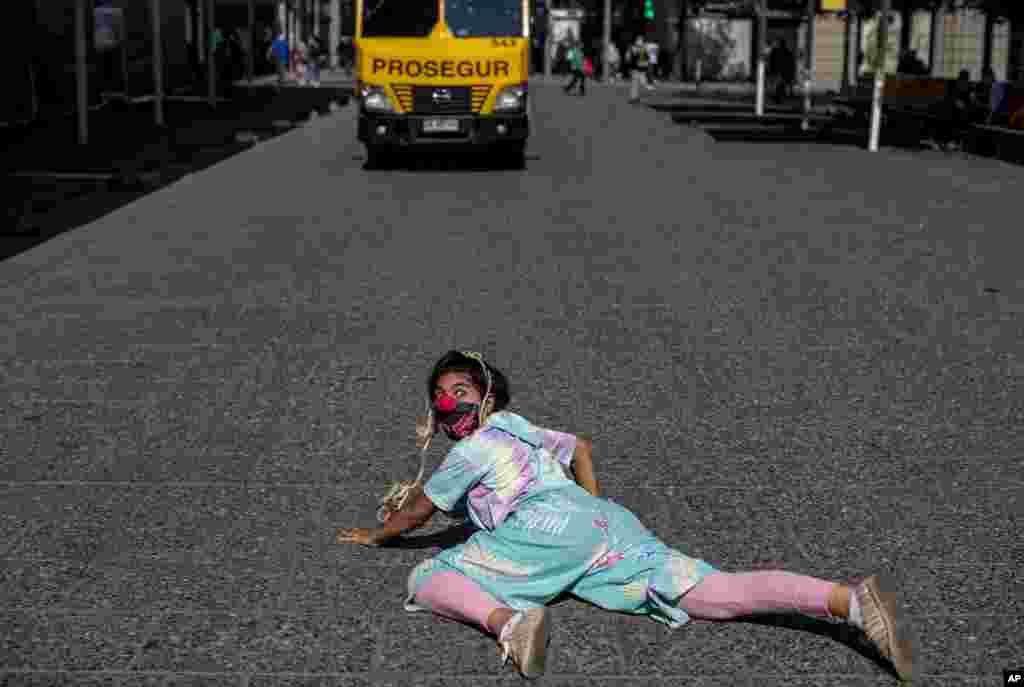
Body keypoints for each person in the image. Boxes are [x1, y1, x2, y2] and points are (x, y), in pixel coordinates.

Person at [337, 351, 915, 682]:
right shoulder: (519, 427)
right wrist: (591, 511)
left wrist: (378, 534)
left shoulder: (469, 451)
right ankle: (848, 602)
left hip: (549, 526)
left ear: (488, 394)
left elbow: (417, 513)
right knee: (711, 594)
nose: (447, 404)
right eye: (440, 395)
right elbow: (582, 448)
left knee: (430, 576)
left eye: (458, 391)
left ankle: (508, 625)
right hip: (606, 522)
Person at [628, 36, 650, 103]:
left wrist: (646, 62)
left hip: (642, 68)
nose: (639, 42)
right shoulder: (633, 48)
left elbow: (647, 57)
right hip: (635, 68)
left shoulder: (644, 48)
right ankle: (634, 97)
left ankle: (637, 96)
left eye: (640, 40)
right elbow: (630, 58)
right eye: (638, 40)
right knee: (635, 83)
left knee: (642, 83)